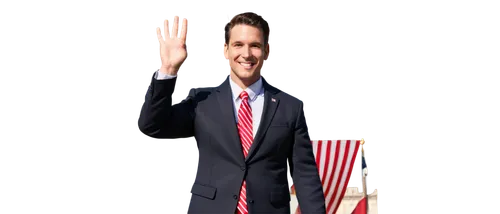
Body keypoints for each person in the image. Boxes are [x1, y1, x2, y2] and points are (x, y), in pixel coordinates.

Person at [137, 11, 326, 214]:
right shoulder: (202, 101)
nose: (246, 54)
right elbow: (151, 126)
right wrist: (168, 68)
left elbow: (305, 175)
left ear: (267, 51)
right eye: (238, 45)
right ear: (224, 51)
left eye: (254, 45)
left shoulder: (290, 106)